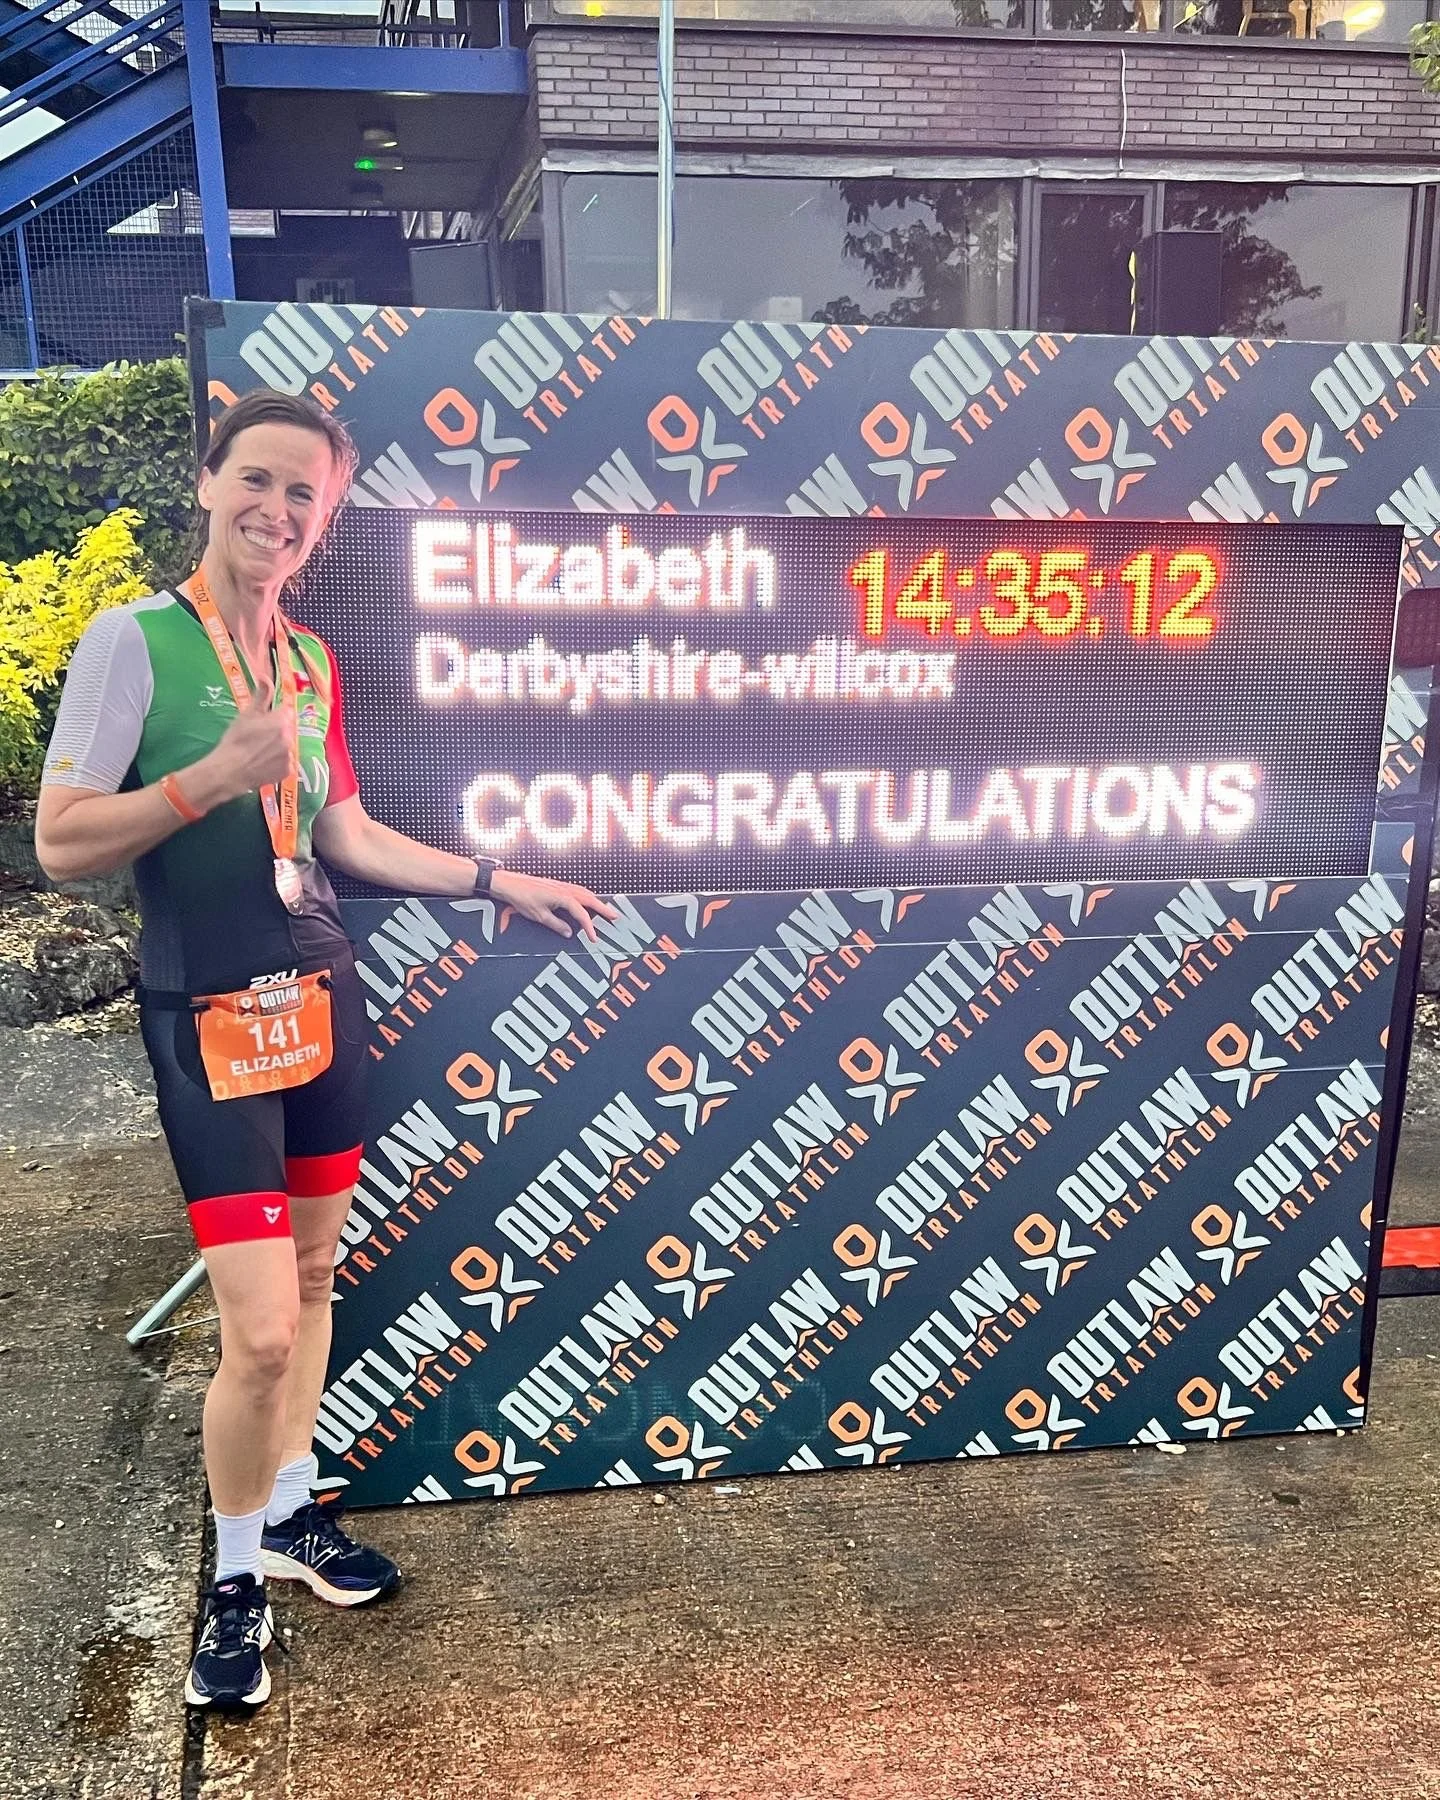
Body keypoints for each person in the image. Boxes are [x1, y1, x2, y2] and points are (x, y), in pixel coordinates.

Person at [34, 391, 617, 1712]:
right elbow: (60, 842)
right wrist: (206, 778)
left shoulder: (310, 661)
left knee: (311, 1274)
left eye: (305, 494)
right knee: (255, 1334)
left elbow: (341, 834)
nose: (277, 510)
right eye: (257, 479)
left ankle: (290, 1509)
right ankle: (234, 1578)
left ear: (325, 520)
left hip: (317, 1000)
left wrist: (495, 876)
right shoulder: (136, 642)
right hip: (207, 1018)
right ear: (208, 483)